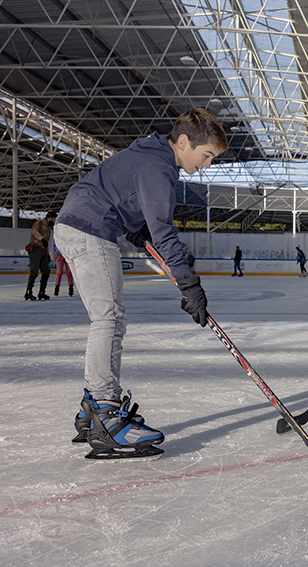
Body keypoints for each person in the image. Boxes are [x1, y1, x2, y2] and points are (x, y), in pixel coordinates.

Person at [53, 108, 227, 460]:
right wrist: (188, 283)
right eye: (206, 155)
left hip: (80, 223)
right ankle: (105, 413)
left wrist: (133, 226)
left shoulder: (149, 156)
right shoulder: (158, 167)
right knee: (109, 320)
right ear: (183, 142)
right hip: (90, 228)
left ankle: (92, 409)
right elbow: (163, 231)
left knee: (108, 320)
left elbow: (123, 198)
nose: (207, 165)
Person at [25, 211, 57, 300]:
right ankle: (28, 291)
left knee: (46, 272)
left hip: (43, 251)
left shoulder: (49, 229)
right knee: (34, 271)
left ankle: (42, 292)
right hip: (34, 248)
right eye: (54, 219)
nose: (54, 221)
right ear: (50, 217)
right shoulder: (39, 223)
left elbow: (46, 243)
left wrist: (47, 254)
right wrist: (42, 239)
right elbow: (34, 232)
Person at [50, 231, 74, 297]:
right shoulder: (56, 233)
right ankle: (56, 288)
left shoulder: (68, 232)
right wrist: (53, 252)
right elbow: (53, 244)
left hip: (67, 255)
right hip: (59, 255)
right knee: (59, 272)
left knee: (69, 272)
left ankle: (71, 288)